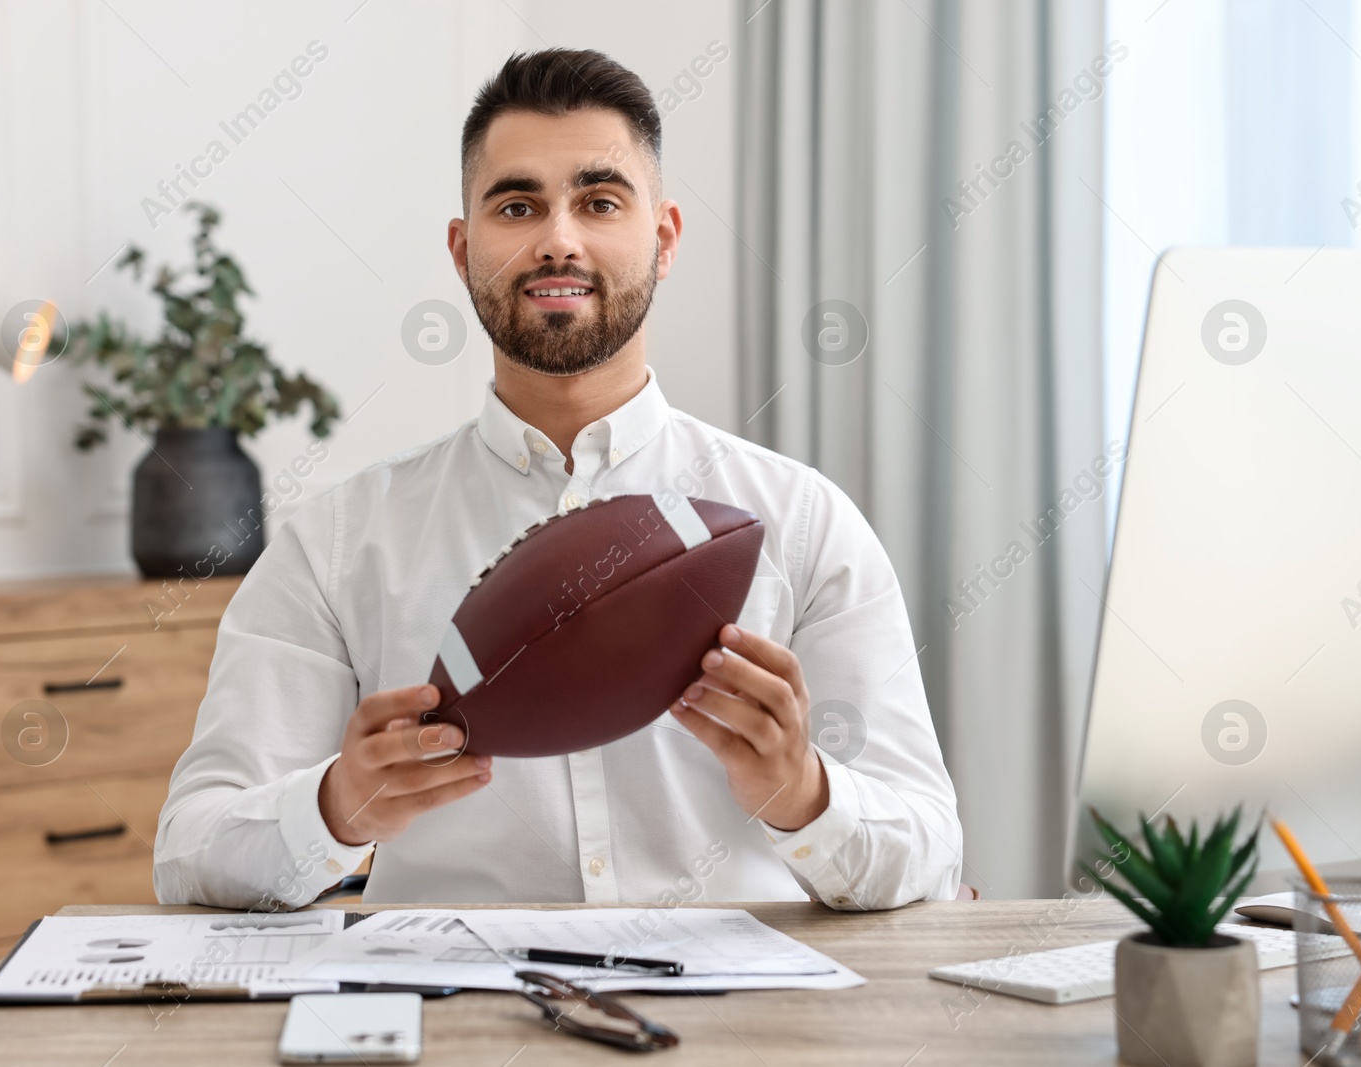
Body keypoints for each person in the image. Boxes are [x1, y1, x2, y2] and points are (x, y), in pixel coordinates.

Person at [154, 48, 962, 912]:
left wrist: (803, 792)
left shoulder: (804, 523)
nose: (558, 240)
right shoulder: (337, 541)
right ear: (464, 252)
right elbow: (191, 853)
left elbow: (930, 857)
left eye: (600, 200)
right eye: (517, 205)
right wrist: (336, 808)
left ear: (664, 237)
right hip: (452, 1025)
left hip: (741, 1024)